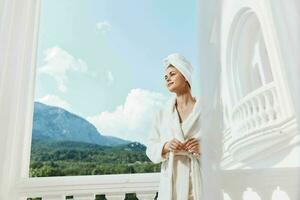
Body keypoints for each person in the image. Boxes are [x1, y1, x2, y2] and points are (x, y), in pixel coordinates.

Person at [146, 53, 202, 200]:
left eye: (172, 74)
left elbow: (221, 145)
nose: (167, 79)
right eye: (165, 77)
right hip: (171, 185)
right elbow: (150, 148)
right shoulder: (162, 114)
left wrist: (203, 148)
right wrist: (165, 147)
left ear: (185, 76)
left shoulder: (205, 111)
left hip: (198, 182)